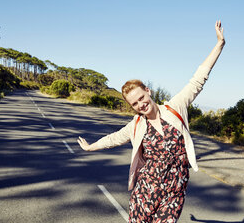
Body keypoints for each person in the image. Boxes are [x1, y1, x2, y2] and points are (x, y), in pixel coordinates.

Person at [77, 21, 225, 223]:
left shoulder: (176, 107)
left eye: (141, 98)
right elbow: (114, 138)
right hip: (146, 188)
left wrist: (219, 44)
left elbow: (198, 79)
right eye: (134, 103)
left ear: (148, 91)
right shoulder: (137, 125)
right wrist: (91, 147)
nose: (140, 104)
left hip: (175, 188)